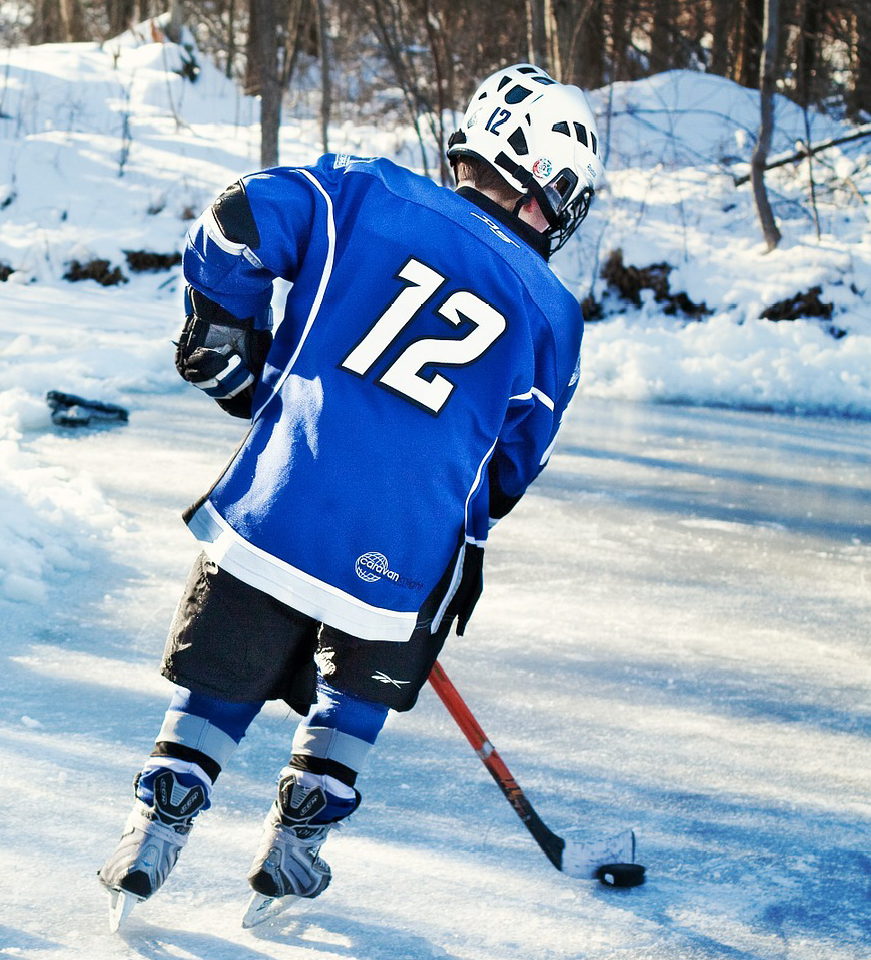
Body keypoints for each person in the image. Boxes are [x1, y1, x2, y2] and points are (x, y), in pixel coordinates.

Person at [97, 63, 604, 919]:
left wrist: (222, 331)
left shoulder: (361, 191)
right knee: (397, 627)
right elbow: (512, 468)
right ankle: (298, 839)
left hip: (276, 509)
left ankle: (158, 820)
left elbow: (240, 217)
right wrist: (456, 523)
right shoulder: (552, 313)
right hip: (401, 554)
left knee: (231, 649)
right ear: (552, 183)